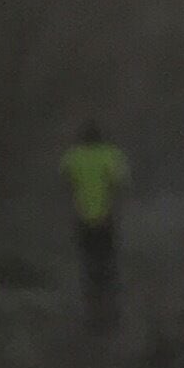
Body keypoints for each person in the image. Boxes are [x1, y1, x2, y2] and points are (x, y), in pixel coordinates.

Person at [59, 117, 128, 328]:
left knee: (89, 263)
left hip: (82, 217)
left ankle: (92, 310)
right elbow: (120, 183)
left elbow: (64, 181)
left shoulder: (74, 156)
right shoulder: (110, 154)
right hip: (106, 218)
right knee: (107, 263)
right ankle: (110, 309)